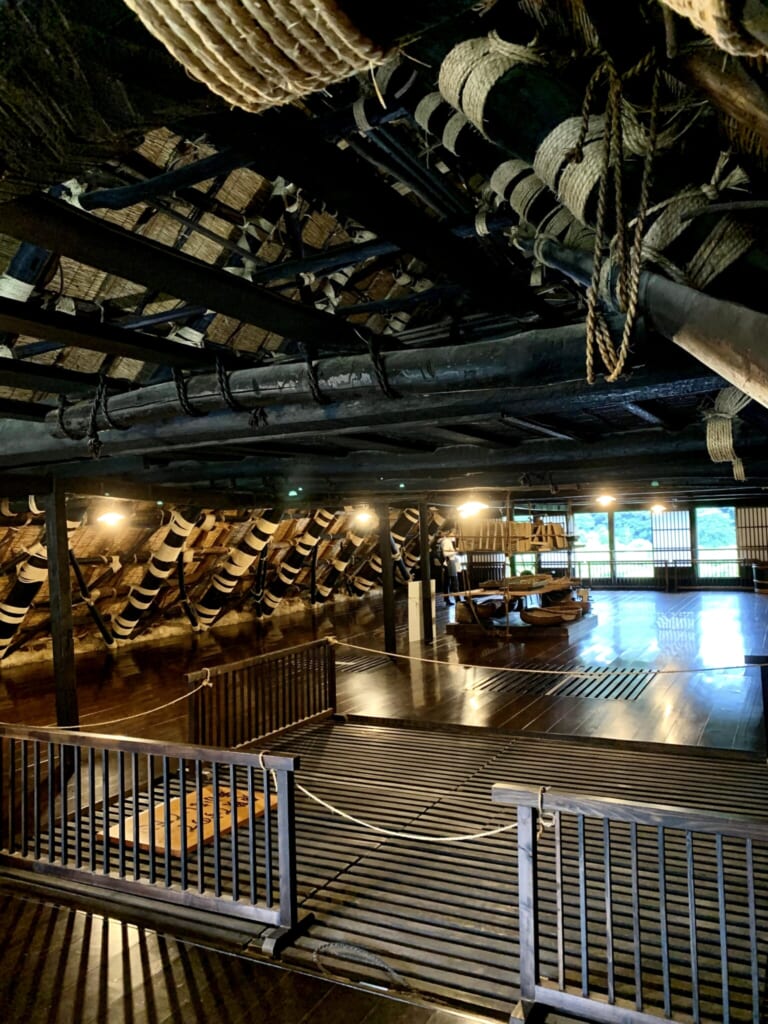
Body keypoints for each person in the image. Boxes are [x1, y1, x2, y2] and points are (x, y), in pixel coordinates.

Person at [437, 530, 461, 605]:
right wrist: (455, 551)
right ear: (449, 534)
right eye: (453, 533)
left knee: (447, 583)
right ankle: (457, 600)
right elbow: (445, 553)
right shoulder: (447, 541)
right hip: (449, 562)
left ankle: (447, 599)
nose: (454, 535)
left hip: (449, 563)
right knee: (454, 582)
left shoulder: (448, 541)